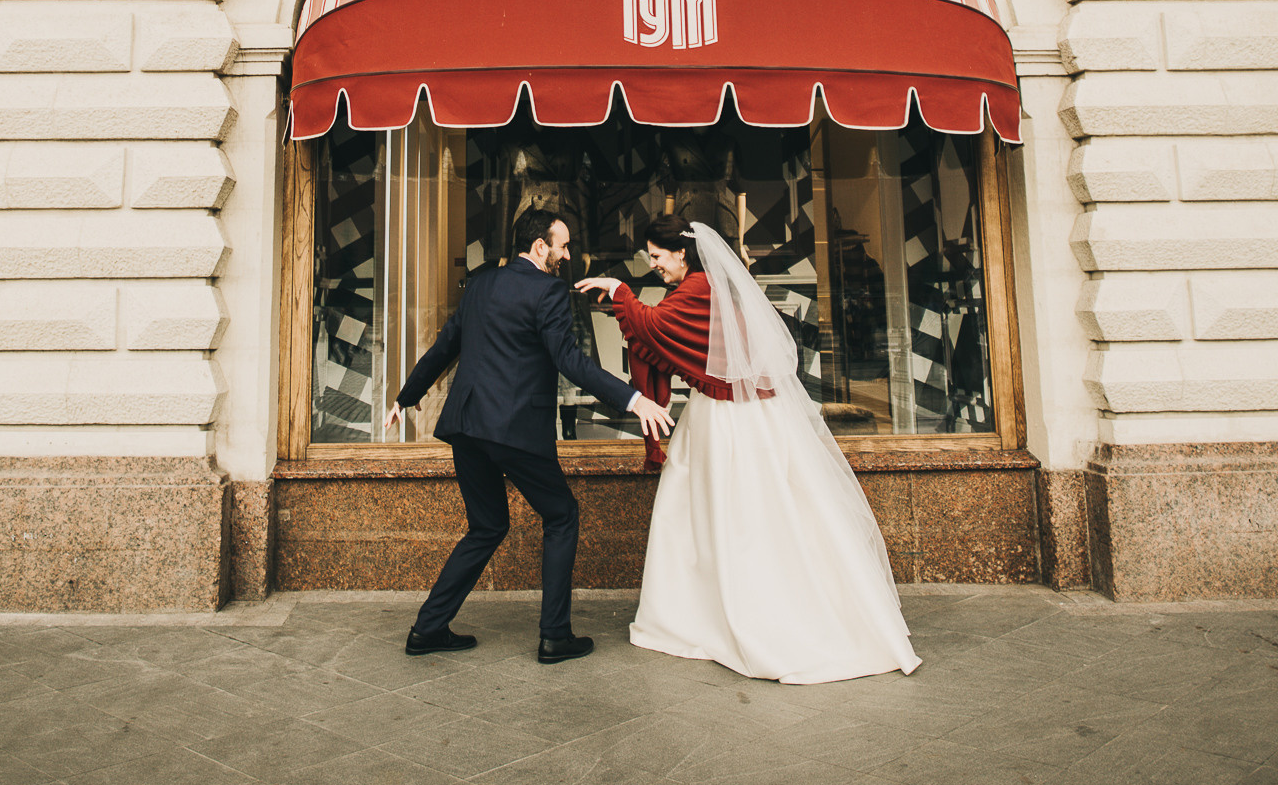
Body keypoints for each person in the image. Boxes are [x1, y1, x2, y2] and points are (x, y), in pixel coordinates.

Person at [576, 212, 920, 684]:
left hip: (726, 420)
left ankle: (713, 612)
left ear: (681, 252)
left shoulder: (697, 289)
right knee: (742, 512)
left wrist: (619, 292)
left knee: (720, 514)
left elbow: (653, 328)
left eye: (657, 257)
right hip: (739, 412)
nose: (654, 265)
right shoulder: (709, 287)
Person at [386, 207, 674, 664]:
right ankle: (555, 636)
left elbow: (445, 345)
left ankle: (427, 629)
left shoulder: (480, 284)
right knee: (561, 516)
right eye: (562, 245)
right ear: (539, 246)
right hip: (515, 429)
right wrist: (633, 400)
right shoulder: (549, 291)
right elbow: (571, 362)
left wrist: (405, 397)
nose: (566, 254)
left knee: (486, 526)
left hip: (466, 426)